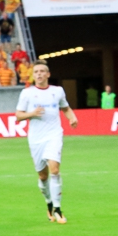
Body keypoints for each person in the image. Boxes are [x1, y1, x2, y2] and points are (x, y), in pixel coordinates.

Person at [15, 61, 77, 224]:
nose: (39, 74)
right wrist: (32, 113)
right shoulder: (27, 93)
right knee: (43, 176)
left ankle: (58, 209)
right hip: (36, 138)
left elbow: (65, 108)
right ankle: (49, 202)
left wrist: (72, 118)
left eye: (42, 71)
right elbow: (18, 115)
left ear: (48, 74)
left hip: (54, 134)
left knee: (54, 169)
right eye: (36, 72)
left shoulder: (57, 91)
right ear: (33, 75)